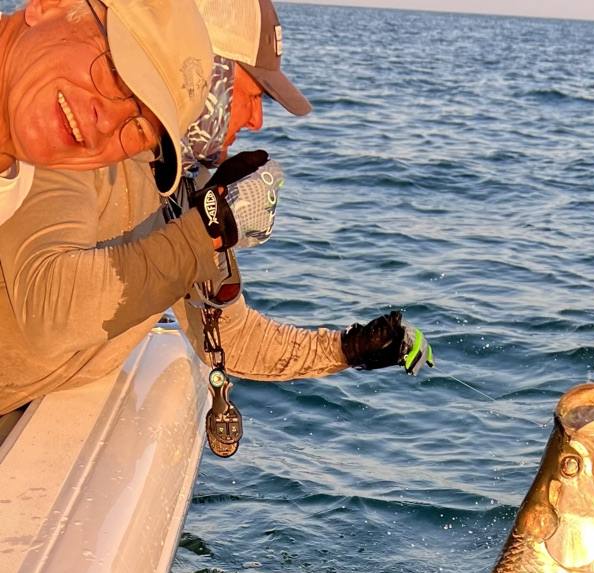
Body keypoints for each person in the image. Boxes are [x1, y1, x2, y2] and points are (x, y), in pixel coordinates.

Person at [0, 0, 432, 426]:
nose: (258, 118)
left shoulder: (181, 186)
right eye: (253, 94)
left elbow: (229, 337)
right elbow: (50, 307)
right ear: (208, 73)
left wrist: (349, 348)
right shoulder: (76, 140)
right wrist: (199, 235)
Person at [0, 0, 212, 223]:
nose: (107, 124)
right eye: (115, 71)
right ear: (49, 5)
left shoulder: (11, 193)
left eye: (140, 129)